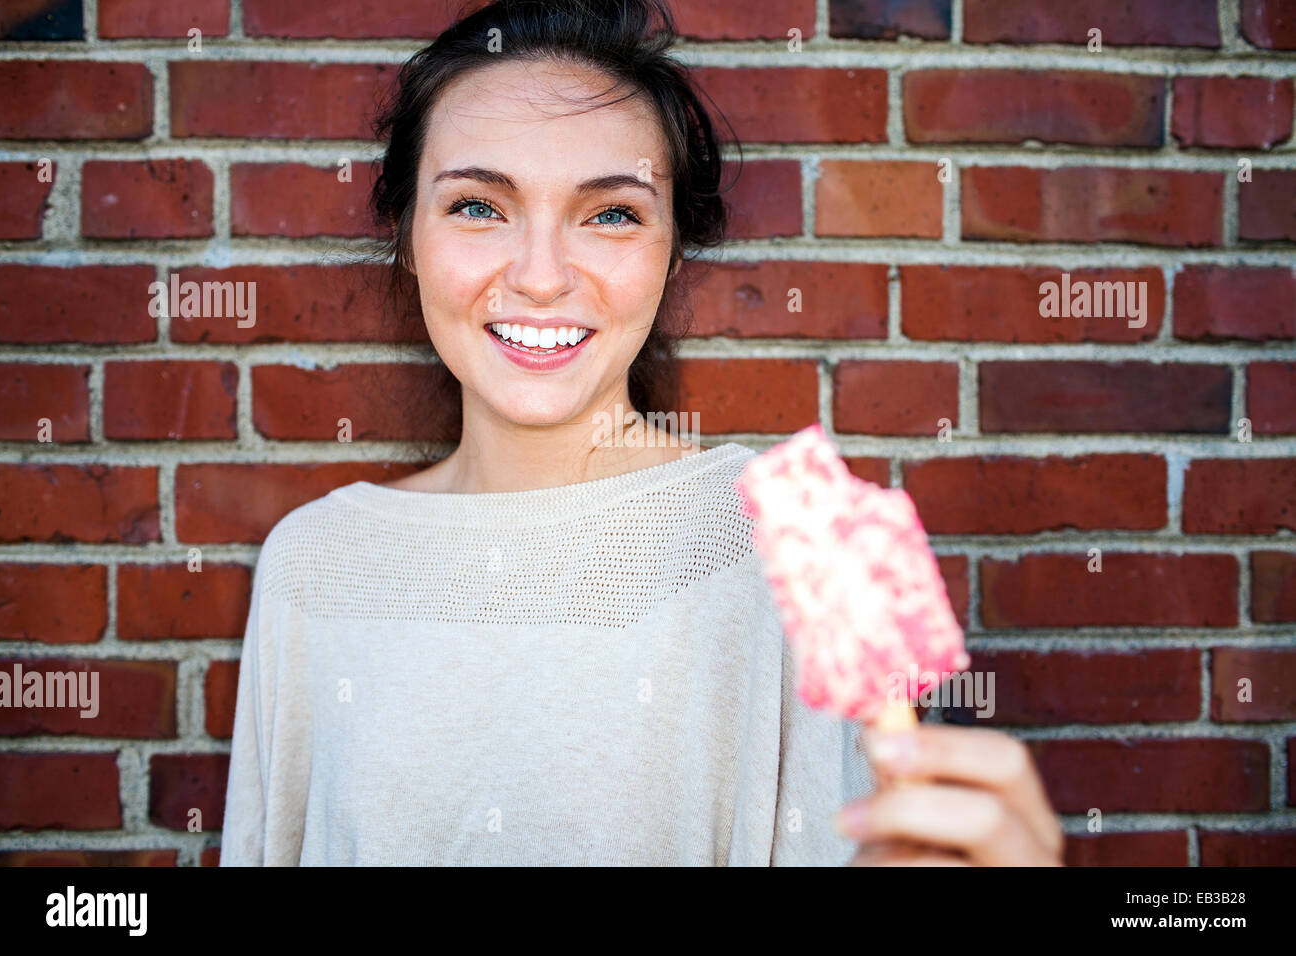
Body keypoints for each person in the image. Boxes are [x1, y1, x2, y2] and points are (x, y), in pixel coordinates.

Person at [220, 0, 1063, 866]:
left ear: (673, 254)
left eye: (612, 213)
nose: (541, 277)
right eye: (478, 206)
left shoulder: (778, 550)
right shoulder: (313, 567)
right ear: (407, 237)